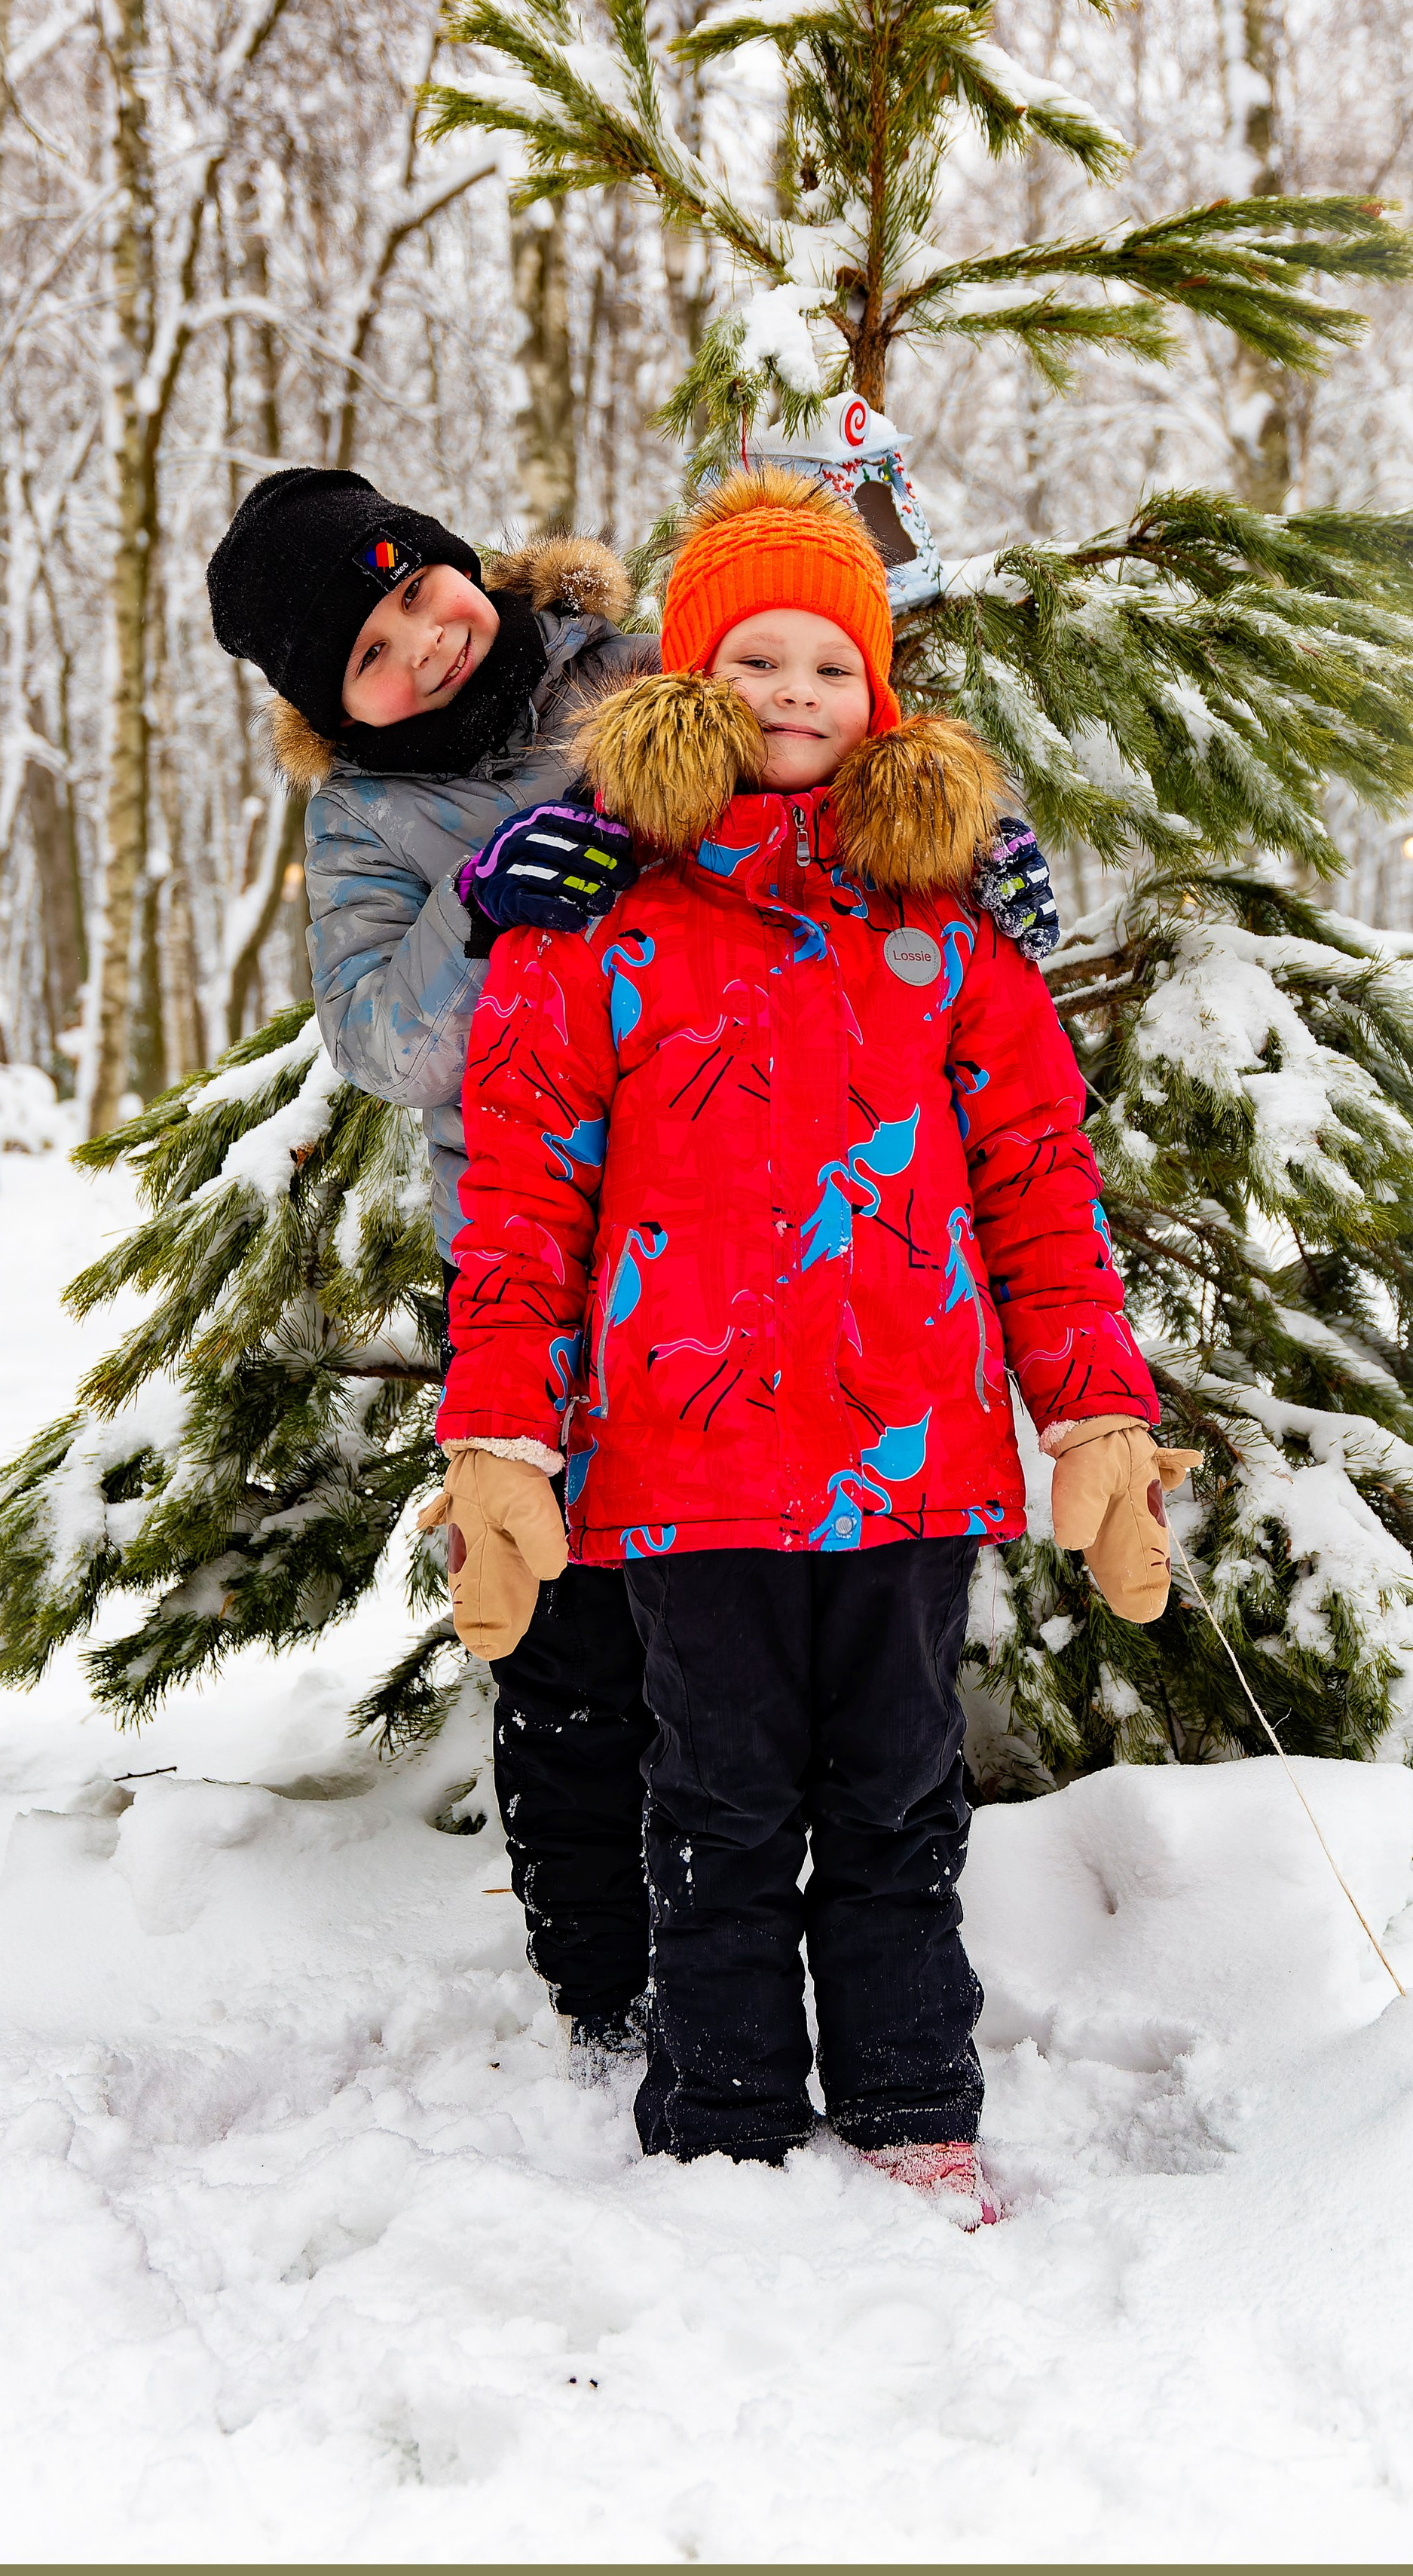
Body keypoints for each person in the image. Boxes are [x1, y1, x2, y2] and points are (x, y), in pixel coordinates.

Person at [430, 466, 1193, 2226]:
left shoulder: (946, 931)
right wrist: (496, 1442)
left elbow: (1035, 1185)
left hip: (908, 1464)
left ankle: (918, 2101)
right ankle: (720, 2122)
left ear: (881, 693)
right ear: (688, 681)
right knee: (709, 1802)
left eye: (829, 664)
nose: (793, 693)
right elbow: (520, 1206)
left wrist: (1091, 1416)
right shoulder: (587, 929)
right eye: (755, 656)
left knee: (897, 1806)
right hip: (678, 1472)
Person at [205, 467, 663, 2081]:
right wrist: (480, 905)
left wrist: (970, 853)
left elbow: (811, 798)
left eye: (423, 596)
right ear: (329, 704)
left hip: (727, 1218)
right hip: (529, 1264)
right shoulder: (364, 822)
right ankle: (601, 1988)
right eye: (373, 653)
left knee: (722, 1606)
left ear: (466, 562)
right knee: (556, 1614)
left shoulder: (637, 668)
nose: (425, 645)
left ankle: (743, 1932)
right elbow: (383, 1044)